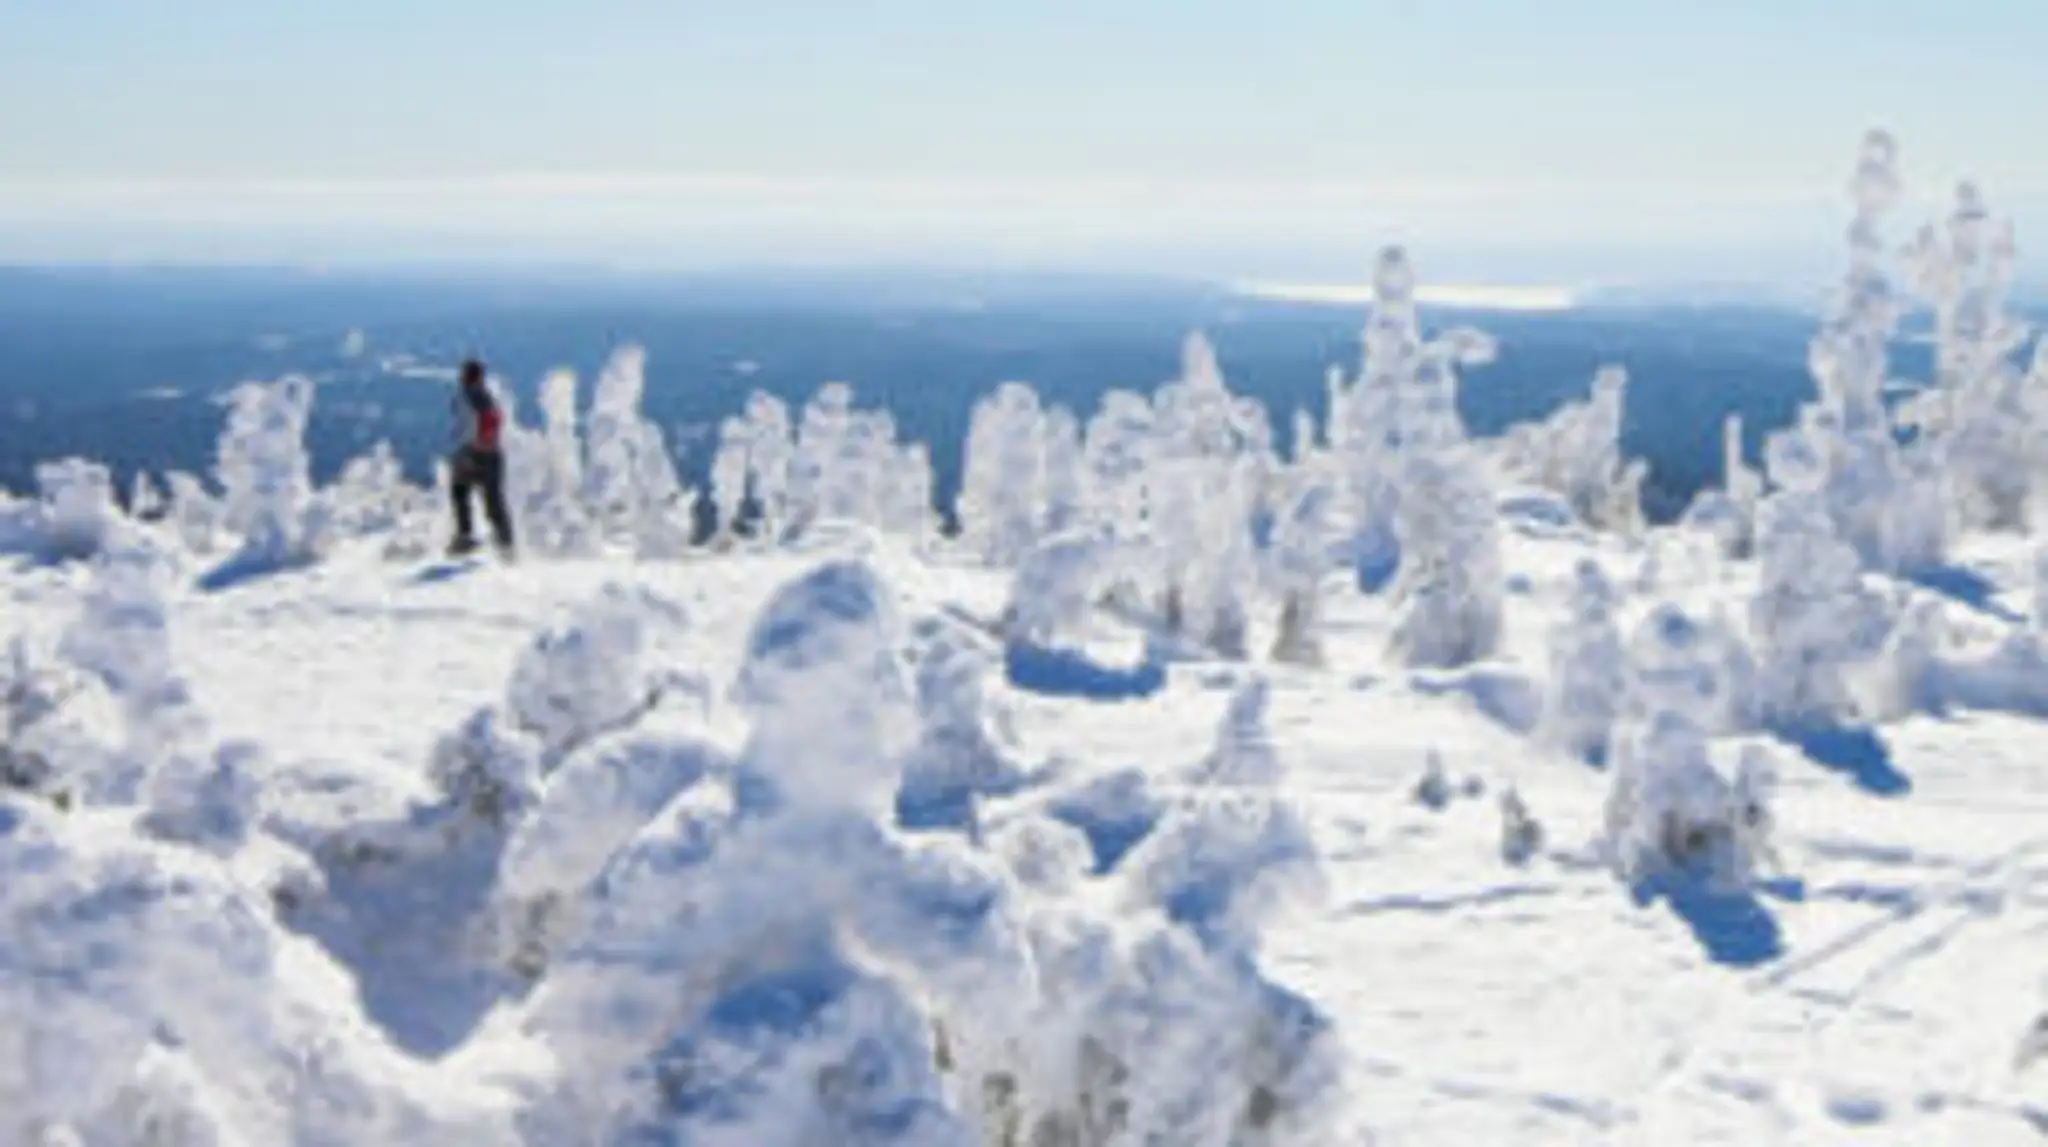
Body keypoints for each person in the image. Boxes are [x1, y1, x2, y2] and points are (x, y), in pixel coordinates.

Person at [449, 358, 515, 557]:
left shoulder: (474, 395)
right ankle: (505, 543)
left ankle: (468, 537)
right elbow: (494, 419)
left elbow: (488, 420)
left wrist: (479, 445)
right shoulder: (482, 394)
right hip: (487, 453)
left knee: (464, 492)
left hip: (477, 452)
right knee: (488, 499)